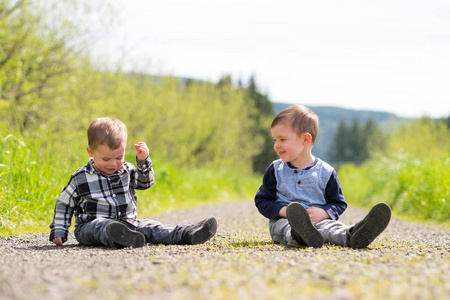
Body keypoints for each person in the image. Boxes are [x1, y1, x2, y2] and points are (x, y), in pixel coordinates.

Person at [50, 117, 217, 249]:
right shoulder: (81, 177)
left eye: (119, 157)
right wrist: (60, 230)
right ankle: (118, 236)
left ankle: (187, 233)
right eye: (106, 159)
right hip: (89, 227)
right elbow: (64, 203)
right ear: (91, 152)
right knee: (101, 225)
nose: (113, 164)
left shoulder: (126, 170)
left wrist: (143, 161)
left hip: (128, 223)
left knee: (152, 227)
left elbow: (145, 183)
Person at [255, 105, 391, 249]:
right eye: (274, 140)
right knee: (286, 227)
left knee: (333, 228)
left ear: (305, 139)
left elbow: (338, 203)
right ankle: (299, 235)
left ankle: (354, 235)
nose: (276, 145)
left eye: (282, 139)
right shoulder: (276, 169)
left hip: (319, 221)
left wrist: (324, 212)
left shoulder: (326, 172)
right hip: (284, 221)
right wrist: (285, 212)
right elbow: (263, 200)